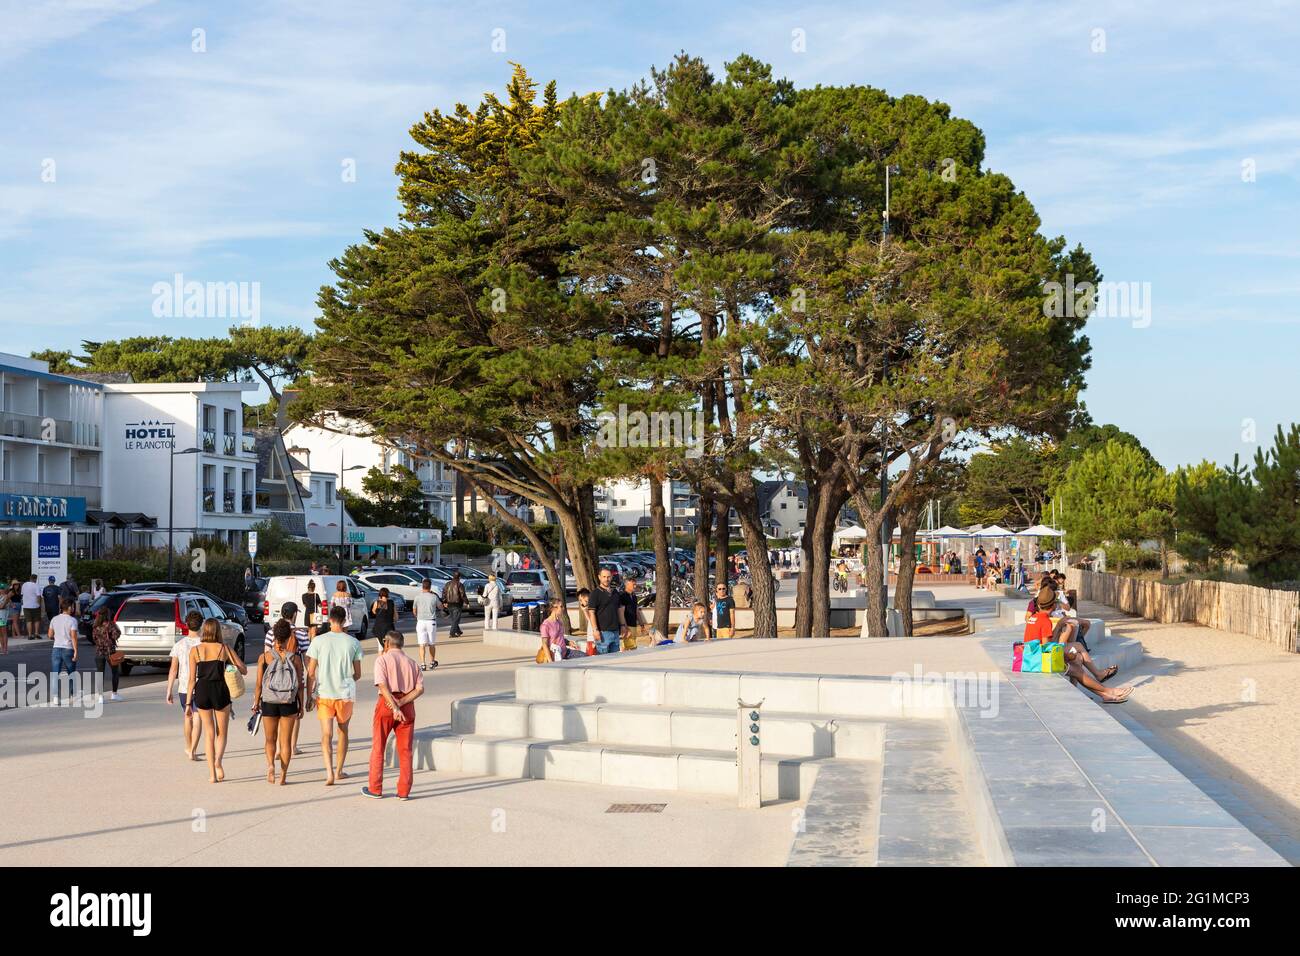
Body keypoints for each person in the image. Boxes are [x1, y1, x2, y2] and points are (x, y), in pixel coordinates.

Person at [363, 630, 425, 800]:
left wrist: (394, 706)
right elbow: (420, 689)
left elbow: (382, 686)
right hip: (407, 706)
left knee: (379, 746)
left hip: (386, 704)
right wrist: (402, 703)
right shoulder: (412, 663)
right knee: (405, 750)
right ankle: (404, 791)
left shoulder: (382, 660)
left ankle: (375, 788)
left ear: (387, 643)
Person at [306, 605, 364, 786]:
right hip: (345, 693)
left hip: (324, 693)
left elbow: (310, 671)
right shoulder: (353, 642)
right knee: (343, 731)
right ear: (345, 620)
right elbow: (358, 673)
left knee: (326, 734)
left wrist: (309, 694)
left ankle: (329, 772)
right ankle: (339, 770)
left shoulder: (318, 641)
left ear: (330, 619)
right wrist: (346, 679)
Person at [186, 618, 247, 783]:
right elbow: (244, 669)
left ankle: (212, 774)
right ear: (218, 631)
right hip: (220, 690)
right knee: (222, 733)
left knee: (209, 733)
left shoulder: (195, 650)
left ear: (204, 630)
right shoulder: (224, 648)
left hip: (202, 690)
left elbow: (191, 679)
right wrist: (230, 665)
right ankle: (218, 761)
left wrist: (187, 703)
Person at [255, 619, 305, 785]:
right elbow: (299, 685)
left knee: (270, 739)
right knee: (286, 741)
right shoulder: (295, 658)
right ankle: (283, 775)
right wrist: (301, 704)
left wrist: (256, 703)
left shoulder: (264, 657)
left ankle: (270, 765)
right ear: (288, 637)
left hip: (269, 701)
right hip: (288, 702)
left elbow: (258, 685)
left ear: (274, 636)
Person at [263, 602, 311, 755]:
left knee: (275, 712)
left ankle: (277, 748)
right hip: (294, 678)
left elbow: (266, 656)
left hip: (274, 679)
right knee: (294, 712)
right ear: (294, 614)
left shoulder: (272, 632)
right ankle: (292, 746)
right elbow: (306, 659)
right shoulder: (301, 633)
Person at [166, 610, 206, 760]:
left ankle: (188, 746)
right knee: (198, 717)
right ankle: (193, 751)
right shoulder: (205, 644)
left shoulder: (179, 645)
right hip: (201, 685)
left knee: (187, 716)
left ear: (186, 625)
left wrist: (169, 690)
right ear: (201, 625)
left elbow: (173, 670)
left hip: (183, 686)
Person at [586, 567, 624, 654]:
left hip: (615, 632)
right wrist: (595, 630)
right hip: (603, 633)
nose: (606, 579)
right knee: (603, 660)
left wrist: (623, 625)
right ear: (599, 577)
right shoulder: (595, 594)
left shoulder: (615, 593)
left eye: (608, 577)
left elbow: (620, 611)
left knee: (614, 660)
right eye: (604, 577)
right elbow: (591, 613)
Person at [48, 599, 79, 704]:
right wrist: (76, 651)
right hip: (68, 648)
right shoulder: (72, 620)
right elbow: (73, 636)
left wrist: (57, 638)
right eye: (73, 607)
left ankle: (56, 697)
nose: (73, 609)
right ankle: (72, 695)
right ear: (69, 608)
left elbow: (50, 635)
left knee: (55, 672)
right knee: (71, 673)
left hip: (56, 648)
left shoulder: (54, 619)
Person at [91, 607, 123, 703]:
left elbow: (94, 638)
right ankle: (114, 694)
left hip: (99, 652)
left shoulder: (95, 626)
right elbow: (116, 635)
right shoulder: (111, 624)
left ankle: (101, 697)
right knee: (115, 673)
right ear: (107, 615)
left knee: (100, 674)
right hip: (110, 652)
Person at [413, 578, 440, 671]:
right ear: (430, 586)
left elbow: (414, 610)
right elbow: (440, 606)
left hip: (420, 622)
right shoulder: (434, 597)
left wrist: (417, 616)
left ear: (422, 586)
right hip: (431, 621)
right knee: (431, 643)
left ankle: (423, 664)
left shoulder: (417, 597)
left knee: (421, 644)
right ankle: (432, 662)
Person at [369, 587, 397, 654]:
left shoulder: (377, 603)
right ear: (388, 594)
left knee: (380, 647)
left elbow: (374, 612)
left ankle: (381, 662)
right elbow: (396, 616)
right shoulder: (392, 603)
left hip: (379, 627)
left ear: (380, 594)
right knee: (389, 646)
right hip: (389, 627)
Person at [441, 571, 467, 638]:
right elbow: (462, 595)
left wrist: (444, 602)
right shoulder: (460, 584)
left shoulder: (447, 584)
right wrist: (466, 602)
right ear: (459, 577)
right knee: (455, 619)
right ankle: (452, 633)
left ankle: (458, 631)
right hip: (457, 604)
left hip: (449, 604)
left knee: (454, 619)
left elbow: (444, 593)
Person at [619, 579, 644, 649]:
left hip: (633, 624)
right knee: (628, 647)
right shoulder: (622, 596)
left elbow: (636, 610)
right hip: (627, 625)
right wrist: (625, 627)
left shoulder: (634, 597)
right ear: (627, 585)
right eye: (633, 585)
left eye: (635, 584)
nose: (635, 586)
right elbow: (621, 613)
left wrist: (641, 623)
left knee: (632, 646)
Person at [0, 583, 11, 654]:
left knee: (4, 633)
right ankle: (2, 648)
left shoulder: (7, 597)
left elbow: (2, 606)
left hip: (3, 617)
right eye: (0, 588)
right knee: (0, 634)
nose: (1, 590)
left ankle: (5, 649)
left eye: (2, 588)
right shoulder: (0, 596)